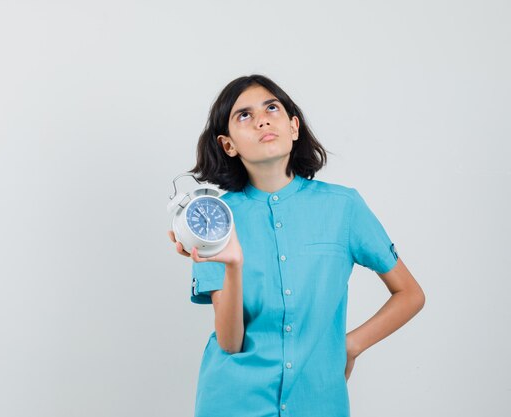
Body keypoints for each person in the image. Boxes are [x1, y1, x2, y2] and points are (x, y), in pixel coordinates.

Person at [167, 74, 425, 417]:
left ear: (293, 126)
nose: (262, 119)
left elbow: (410, 293)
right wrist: (232, 264)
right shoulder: (214, 219)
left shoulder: (343, 207)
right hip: (234, 402)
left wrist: (351, 345)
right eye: (243, 115)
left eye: (271, 107)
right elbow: (230, 341)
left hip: (318, 400)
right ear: (228, 145)